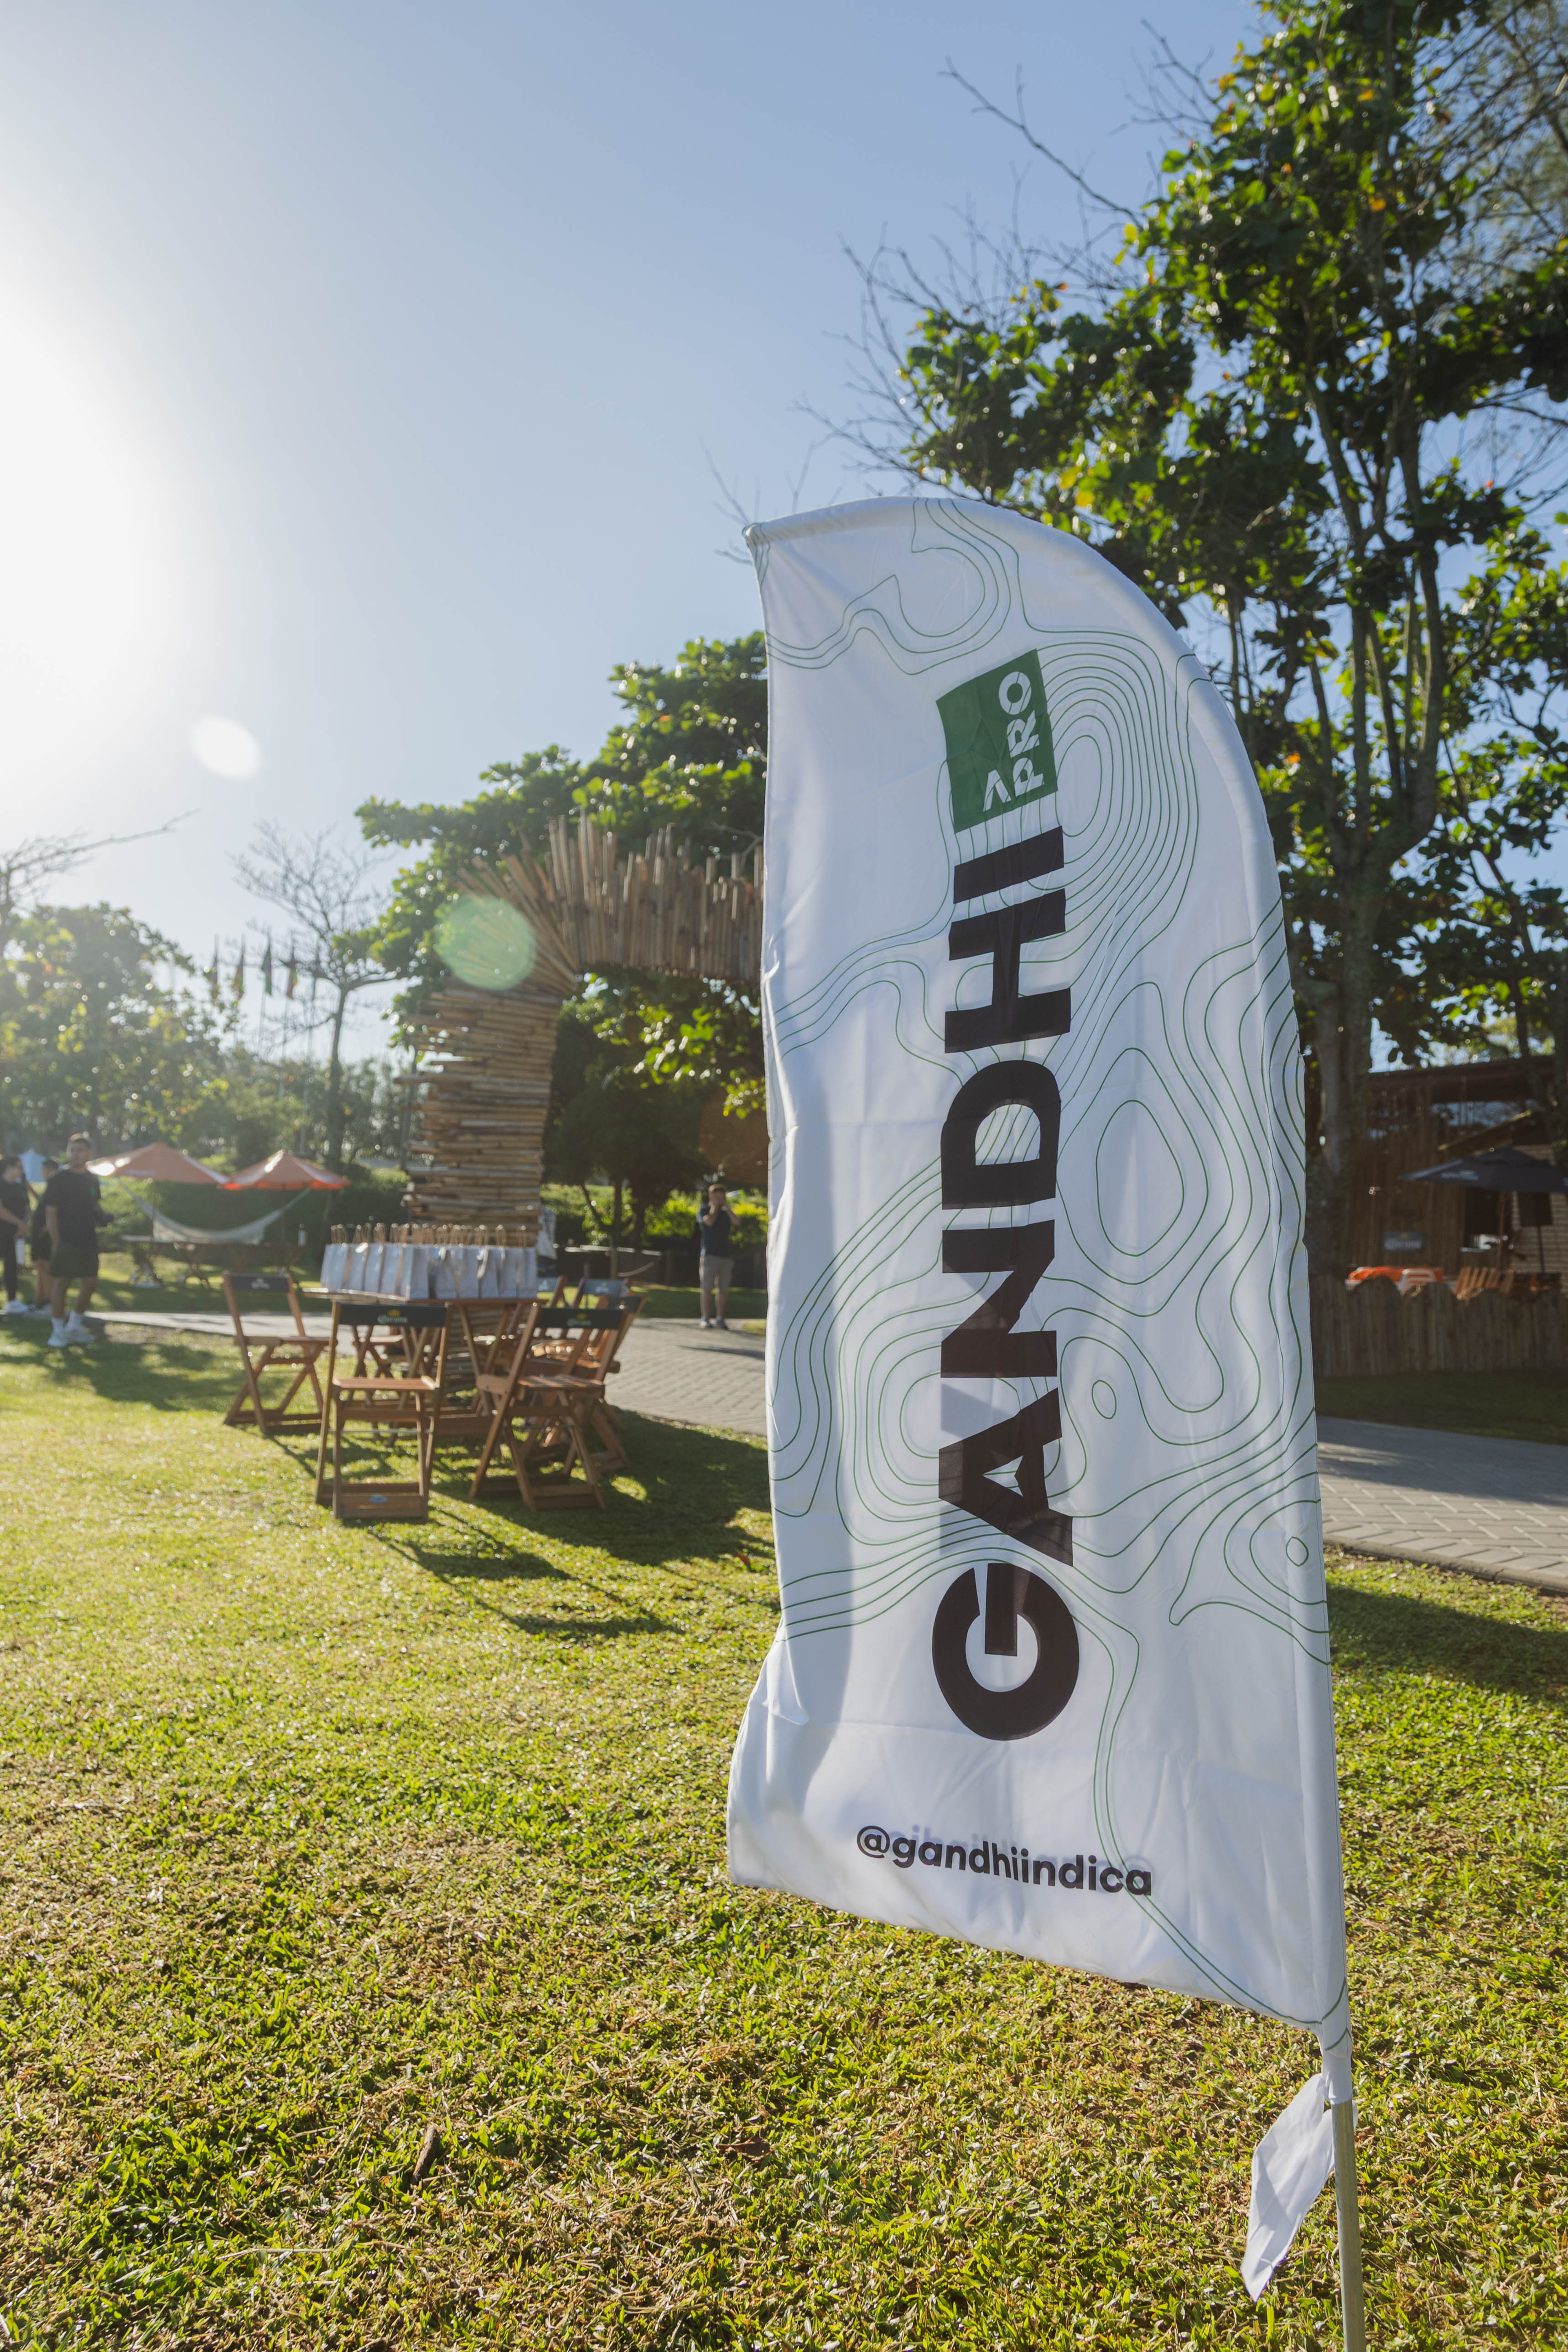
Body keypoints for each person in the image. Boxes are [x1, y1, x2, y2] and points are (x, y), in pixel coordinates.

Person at [43, 1135, 108, 1348]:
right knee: (62, 1284)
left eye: (80, 1150)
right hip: (66, 1240)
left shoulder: (92, 1179)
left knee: (90, 1284)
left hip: (88, 1239)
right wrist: (56, 1241)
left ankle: (74, 1326)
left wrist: (103, 1217)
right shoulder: (58, 1179)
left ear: (89, 1154)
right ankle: (58, 1332)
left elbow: (95, 1205)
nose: (76, 1154)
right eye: (73, 1150)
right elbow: (50, 1213)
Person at [696, 1179, 735, 1329]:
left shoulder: (726, 1214)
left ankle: (720, 1318)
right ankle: (705, 1318)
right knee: (707, 1288)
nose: (720, 1200)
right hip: (710, 1256)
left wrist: (727, 1207)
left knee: (723, 1290)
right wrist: (714, 1208)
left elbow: (737, 1222)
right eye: (717, 1197)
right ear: (711, 1196)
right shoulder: (704, 1210)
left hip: (726, 1257)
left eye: (722, 1197)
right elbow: (709, 1222)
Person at [0, 1157, 31, 1315]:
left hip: (16, 1235)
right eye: (19, 1167)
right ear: (9, 1167)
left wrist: (24, 1225)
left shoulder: (20, 1187)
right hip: (3, 1231)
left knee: (12, 1266)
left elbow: (28, 1209)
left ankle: (12, 1300)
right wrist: (20, 1223)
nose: (21, 1171)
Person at [28, 1157, 58, 1314]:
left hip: (45, 1235)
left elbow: (59, 1211)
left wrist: (47, 1228)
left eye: (43, 1171)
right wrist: (29, 1188)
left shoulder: (58, 1187)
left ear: (49, 1171)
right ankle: (38, 1300)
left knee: (46, 1268)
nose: (42, 1174)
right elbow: (42, 1202)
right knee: (39, 1267)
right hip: (37, 1234)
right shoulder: (49, 1188)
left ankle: (49, 1302)